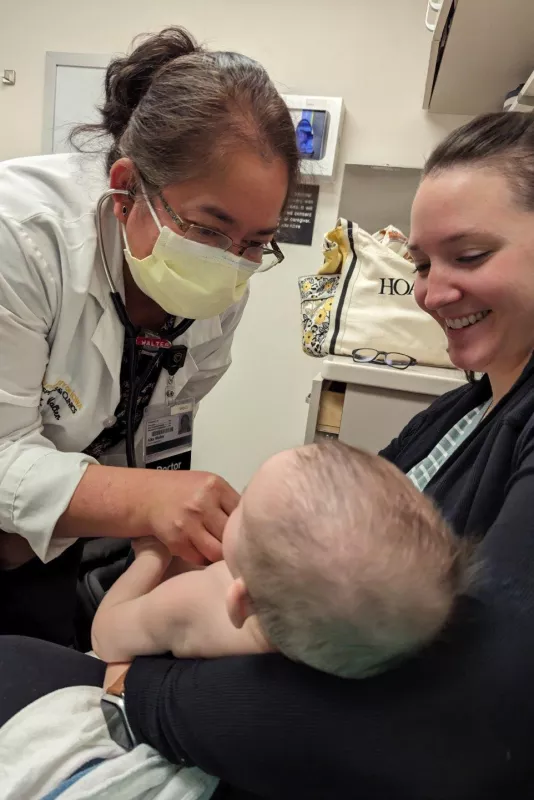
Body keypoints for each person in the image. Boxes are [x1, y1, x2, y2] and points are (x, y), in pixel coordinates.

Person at [3, 110, 534, 799]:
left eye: (469, 256)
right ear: (127, 191)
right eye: (423, 264)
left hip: (259, 731)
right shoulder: (462, 411)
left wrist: (149, 692)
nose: (432, 293)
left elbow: (469, 723)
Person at [0, 26, 298, 645]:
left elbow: (153, 429)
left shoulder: (222, 283)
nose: (232, 261)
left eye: (256, 242)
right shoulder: (21, 236)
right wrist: (147, 500)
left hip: (40, 552)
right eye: (210, 229)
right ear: (125, 187)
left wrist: (156, 537)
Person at [0, 441, 468, 798]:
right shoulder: (366, 632)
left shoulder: (205, 604)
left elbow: (109, 635)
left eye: (244, 513)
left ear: (240, 599)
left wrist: (150, 553)